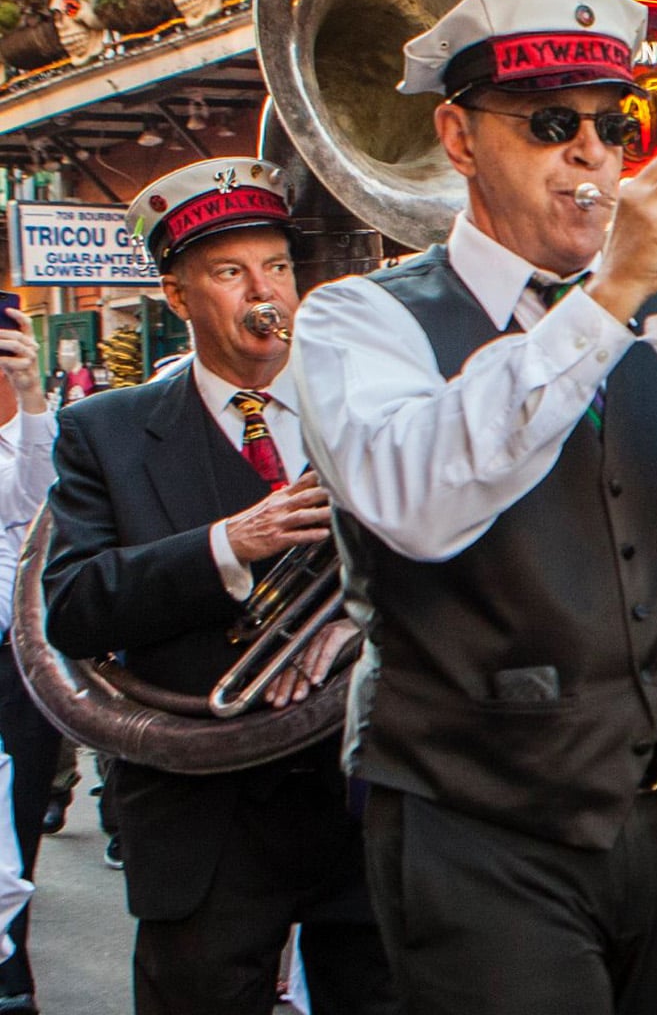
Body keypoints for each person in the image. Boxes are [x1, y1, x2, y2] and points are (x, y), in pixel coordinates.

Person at [289, 0, 657, 1014]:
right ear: (459, 140)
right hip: (477, 824)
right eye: (552, 124)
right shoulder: (358, 320)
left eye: (611, 123)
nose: (591, 155)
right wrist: (612, 294)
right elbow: (415, 498)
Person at [41, 157, 397, 1015]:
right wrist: (224, 546)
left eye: (275, 265)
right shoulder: (105, 432)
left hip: (362, 789)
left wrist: (355, 627)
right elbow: (73, 606)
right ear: (178, 296)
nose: (263, 291)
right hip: (204, 813)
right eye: (231, 273)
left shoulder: (367, 407)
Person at [0, 307, 57, 1014]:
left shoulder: (27, 435)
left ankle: (12, 972)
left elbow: (43, 496)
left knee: (15, 819)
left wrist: (33, 392)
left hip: (14, 661)